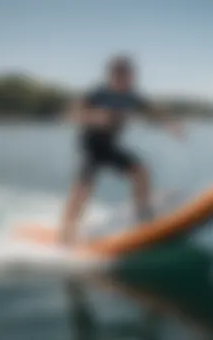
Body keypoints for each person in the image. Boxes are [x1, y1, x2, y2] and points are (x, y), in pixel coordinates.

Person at [60, 55, 183, 246]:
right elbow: (71, 115)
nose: (128, 80)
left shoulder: (131, 96)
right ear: (111, 76)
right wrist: (94, 117)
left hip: (109, 147)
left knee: (140, 171)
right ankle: (67, 230)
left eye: (130, 76)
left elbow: (153, 111)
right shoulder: (98, 94)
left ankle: (142, 214)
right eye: (122, 76)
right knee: (84, 189)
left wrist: (171, 125)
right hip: (90, 147)